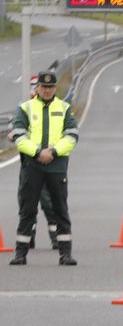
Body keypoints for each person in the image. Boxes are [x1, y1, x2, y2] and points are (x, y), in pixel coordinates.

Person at [8, 71, 78, 265]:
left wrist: (53, 152)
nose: (47, 90)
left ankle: (65, 254)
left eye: (50, 87)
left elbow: (72, 136)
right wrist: (38, 152)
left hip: (56, 167)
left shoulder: (64, 108)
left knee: (60, 210)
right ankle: (21, 254)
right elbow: (19, 136)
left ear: (55, 88)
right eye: (44, 87)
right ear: (37, 88)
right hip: (32, 166)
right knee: (27, 209)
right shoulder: (26, 108)